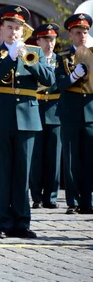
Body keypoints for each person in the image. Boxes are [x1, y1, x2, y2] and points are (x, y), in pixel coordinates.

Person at [0, 5, 54, 239]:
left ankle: (22, 222)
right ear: (0, 31)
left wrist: (27, 59)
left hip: (28, 117)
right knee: (2, 172)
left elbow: (50, 79)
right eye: (10, 28)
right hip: (2, 116)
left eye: (18, 29)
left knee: (23, 173)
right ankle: (2, 222)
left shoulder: (35, 51)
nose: (14, 33)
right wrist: (9, 59)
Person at [56, 13, 93, 215]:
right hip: (70, 112)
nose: (82, 36)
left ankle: (88, 200)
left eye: (85, 32)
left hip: (90, 112)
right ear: (70, 34)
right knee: (71, 159)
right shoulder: (62, 58)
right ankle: (73, 201)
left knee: (90, 158)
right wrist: (72, 76)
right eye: (78, 32)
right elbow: (58, 85)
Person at [30, 23, 62, 210]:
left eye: (53, 40)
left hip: (55, 110)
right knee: (36, 157)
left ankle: (51, 196)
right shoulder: (33, 58)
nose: (50, 44)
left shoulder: (61, 61)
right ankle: (36, 196)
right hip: (35, 108)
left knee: (54, 157)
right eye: (46, 40)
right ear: (39, 41)